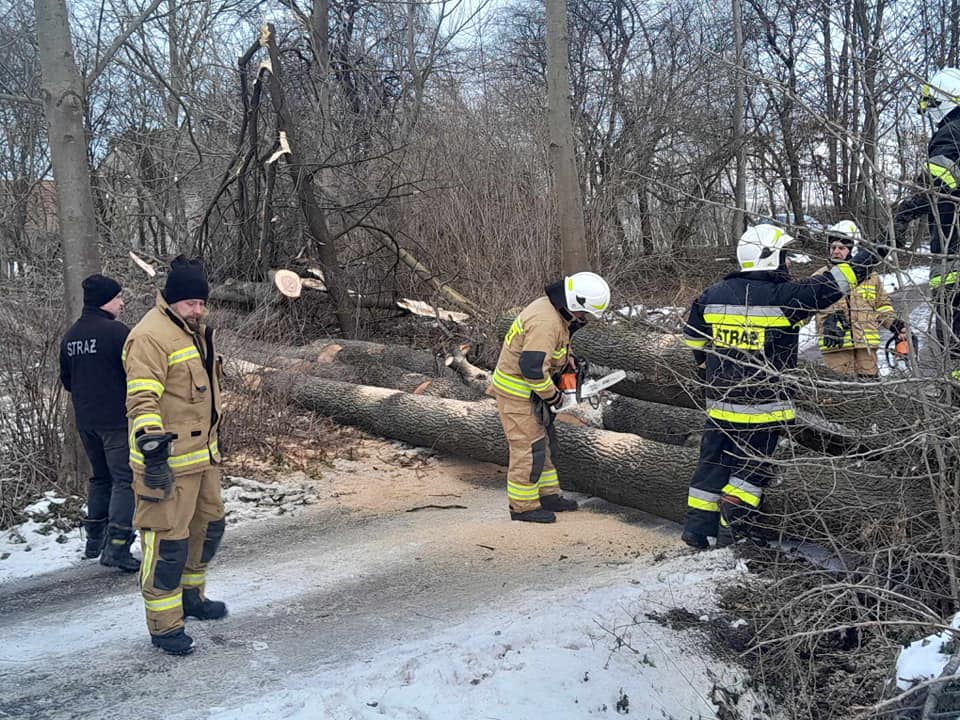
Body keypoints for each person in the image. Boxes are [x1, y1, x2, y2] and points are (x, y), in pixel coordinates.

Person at [681, 223, 882, 550]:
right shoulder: (784, 297)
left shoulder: (713, 294)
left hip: (719, 403)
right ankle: (734, 530)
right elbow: (835, 284)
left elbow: (692, 335)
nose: (787, 264)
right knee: (752, 469)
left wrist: (706, 365)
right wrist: (876, 251)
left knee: (712, 464)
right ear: (770, 258)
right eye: (784, 257)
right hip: (763, 406)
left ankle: (697, 531)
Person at [123, 256, 226, 656]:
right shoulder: (150, 336)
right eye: (190, 303)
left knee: (207, 531)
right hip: (164, 464)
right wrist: (151, 444)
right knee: (167, 544)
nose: (198, 309)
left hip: (203, 460)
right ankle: (165, 626)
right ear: (170, 299)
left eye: (201, 302)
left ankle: (192, 598)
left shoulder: (192, 331)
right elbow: (142, 397)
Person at [488, 272, 611, 523]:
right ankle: (522, 507)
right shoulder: (546, 321)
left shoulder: (553, 312)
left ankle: (548, 495)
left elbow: (555, 347)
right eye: (583, 314)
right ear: (575, 304)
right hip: (518, 394)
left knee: (542, 445)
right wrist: (554, 396)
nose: (583, 319)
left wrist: (569, 360)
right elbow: (532, 369)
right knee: (527, 449)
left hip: (530, 392)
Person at [60, 274, 139, 571]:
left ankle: (95, 540)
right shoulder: (118, 333)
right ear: (106, 300)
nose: (121, 302)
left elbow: (67, 380)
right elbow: (135, 373)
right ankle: (117, 547)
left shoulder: (70, 337)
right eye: (118, 297)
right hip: (115, 420)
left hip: (86, 421)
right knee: (124, 480)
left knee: (101, 477)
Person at [895, 68, 960, 377]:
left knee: (953, 334)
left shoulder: (952, 133)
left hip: (954, 255)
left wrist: (902, 214)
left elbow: (933, 185)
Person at [814, 220, 908, 378]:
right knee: (842, 395)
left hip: (866, 349)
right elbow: (802, 308)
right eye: (833, 247)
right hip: (836, 348)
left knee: (870, 394)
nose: (836, 251)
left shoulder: (871, 277)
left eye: (841, 248)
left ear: (853, 249)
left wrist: (894, 324)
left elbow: (882, 306)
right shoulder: (820, 277)